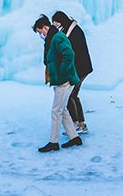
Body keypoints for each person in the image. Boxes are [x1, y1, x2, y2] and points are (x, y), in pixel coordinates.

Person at [32, 14, 82, 153]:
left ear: (45, 27)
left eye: (39, 31)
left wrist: (62, 74)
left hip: (64, 81)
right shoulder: (51, 39)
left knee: (56, 111)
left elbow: (69, 55)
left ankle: (53, 142)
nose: (40, 34)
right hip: (61, 80)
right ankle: (74, 138)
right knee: (63, 109)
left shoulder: (57, 38)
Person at [52, 10, 93, 133]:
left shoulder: (73, 32)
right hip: (82, 68)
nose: (54, 24)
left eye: (55, 22)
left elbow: (73, 52)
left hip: (81, 68)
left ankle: (77, 124)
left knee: (70, 95)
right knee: (73, 95)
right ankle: (81, 124)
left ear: (61, 20)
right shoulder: (69, 29)